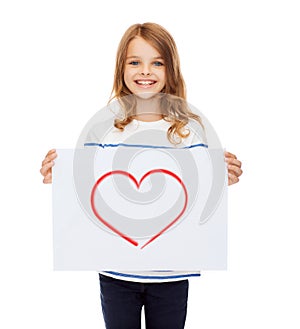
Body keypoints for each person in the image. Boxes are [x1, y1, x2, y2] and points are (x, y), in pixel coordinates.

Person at [40, 23, 243, 329]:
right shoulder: (105, 126)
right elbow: (88, 185)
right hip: (116, 273)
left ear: (170, 69)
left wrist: (224, 176)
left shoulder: (190, 129)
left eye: (157, 62)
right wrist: (59, 177)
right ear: (121, 68)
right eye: (134, 62)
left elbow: (202, 190)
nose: (145, 71)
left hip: (172, 273)